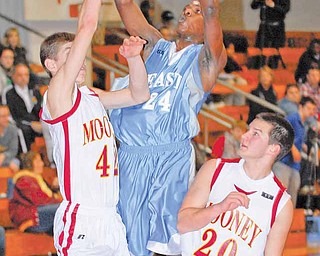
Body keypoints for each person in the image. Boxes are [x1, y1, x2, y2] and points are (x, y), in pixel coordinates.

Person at [110, 0, 227, 255]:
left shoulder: (206, 59)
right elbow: (126, 5)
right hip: (130, 154)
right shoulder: (155, 45)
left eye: (195, 11)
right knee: (128, 237)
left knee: (168, 241)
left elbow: (211, 12)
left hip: (170, 157)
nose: (186, 11)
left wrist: (208, 8)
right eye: (186, 8)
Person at [39, 0, 149, 254]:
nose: (81, 58)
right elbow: (87, 25)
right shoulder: (57, 97)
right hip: (81, 216)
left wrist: (134, 59)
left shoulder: (92, 96)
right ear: (52, 65)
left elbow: (139, 95)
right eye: (71, 52)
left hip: (110, 216)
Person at [178, 112, 295, 255]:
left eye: (255, 134)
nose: (244, 136)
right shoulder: (215, 168)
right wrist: (219, 208)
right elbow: (182, 224)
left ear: (273, 149)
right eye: (248, 130)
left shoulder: (281, 203)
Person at [273, 97, 317, 207]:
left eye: (312, 109)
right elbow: (281, 132)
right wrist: (293, 149)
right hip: (283, 162)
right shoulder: (292, 118)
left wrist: (301, 146)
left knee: (291, 198)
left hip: (294, 165)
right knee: (280, 196)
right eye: (308, 108)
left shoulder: (304, 124)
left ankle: (287, 222)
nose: (310, 111)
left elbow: (295, 137)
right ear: (301, 106)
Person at [9, 151, 61, 235]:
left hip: (38, 211)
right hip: (28, 216)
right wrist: (59, 200)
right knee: (62, 208)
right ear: (30, 163)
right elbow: (41, 200)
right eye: (38, 161)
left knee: (64, 209)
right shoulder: (24, 180)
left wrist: (55, 189)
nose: (42, 164)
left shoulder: (36, 178)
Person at [4, 63, 43, 153]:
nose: (24, 78)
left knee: (51, 127)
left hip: (38, 123)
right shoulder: (9, 93)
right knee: (23, 130)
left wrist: (42, 122)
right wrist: (30, 123)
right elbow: (12, 115)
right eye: (20, 75)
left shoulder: (34, 91)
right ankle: (26, 158)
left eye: (26, 75)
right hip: (20, 123)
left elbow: (41, 109)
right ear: (13, 76)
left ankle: (51, 159)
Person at [0, 104, 20, 172]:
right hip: (4, 160)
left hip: (8, 158)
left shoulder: (12, 129)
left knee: (15, 163)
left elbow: (13, 150)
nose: (6, 119)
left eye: (7, 115)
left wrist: (4, 156)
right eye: (3, 116)